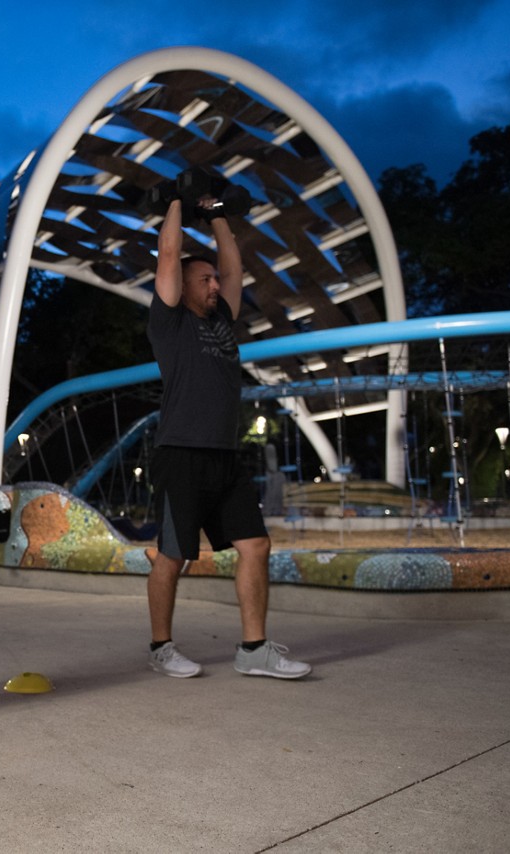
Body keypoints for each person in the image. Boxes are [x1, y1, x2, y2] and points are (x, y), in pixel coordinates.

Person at [144, 194, 310, 681]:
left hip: (225, 456)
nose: (216, 285)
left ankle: (254, 649)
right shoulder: (169, 321)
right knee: (172, 556)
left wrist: (217, 215)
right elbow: (170, 255)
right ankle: (160, 647)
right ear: (184, 286)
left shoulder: (221, 320)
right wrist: (176, 201)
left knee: (256, 546)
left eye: (215, 279)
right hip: (181, 454)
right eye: (206, 280)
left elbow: (235, 271)